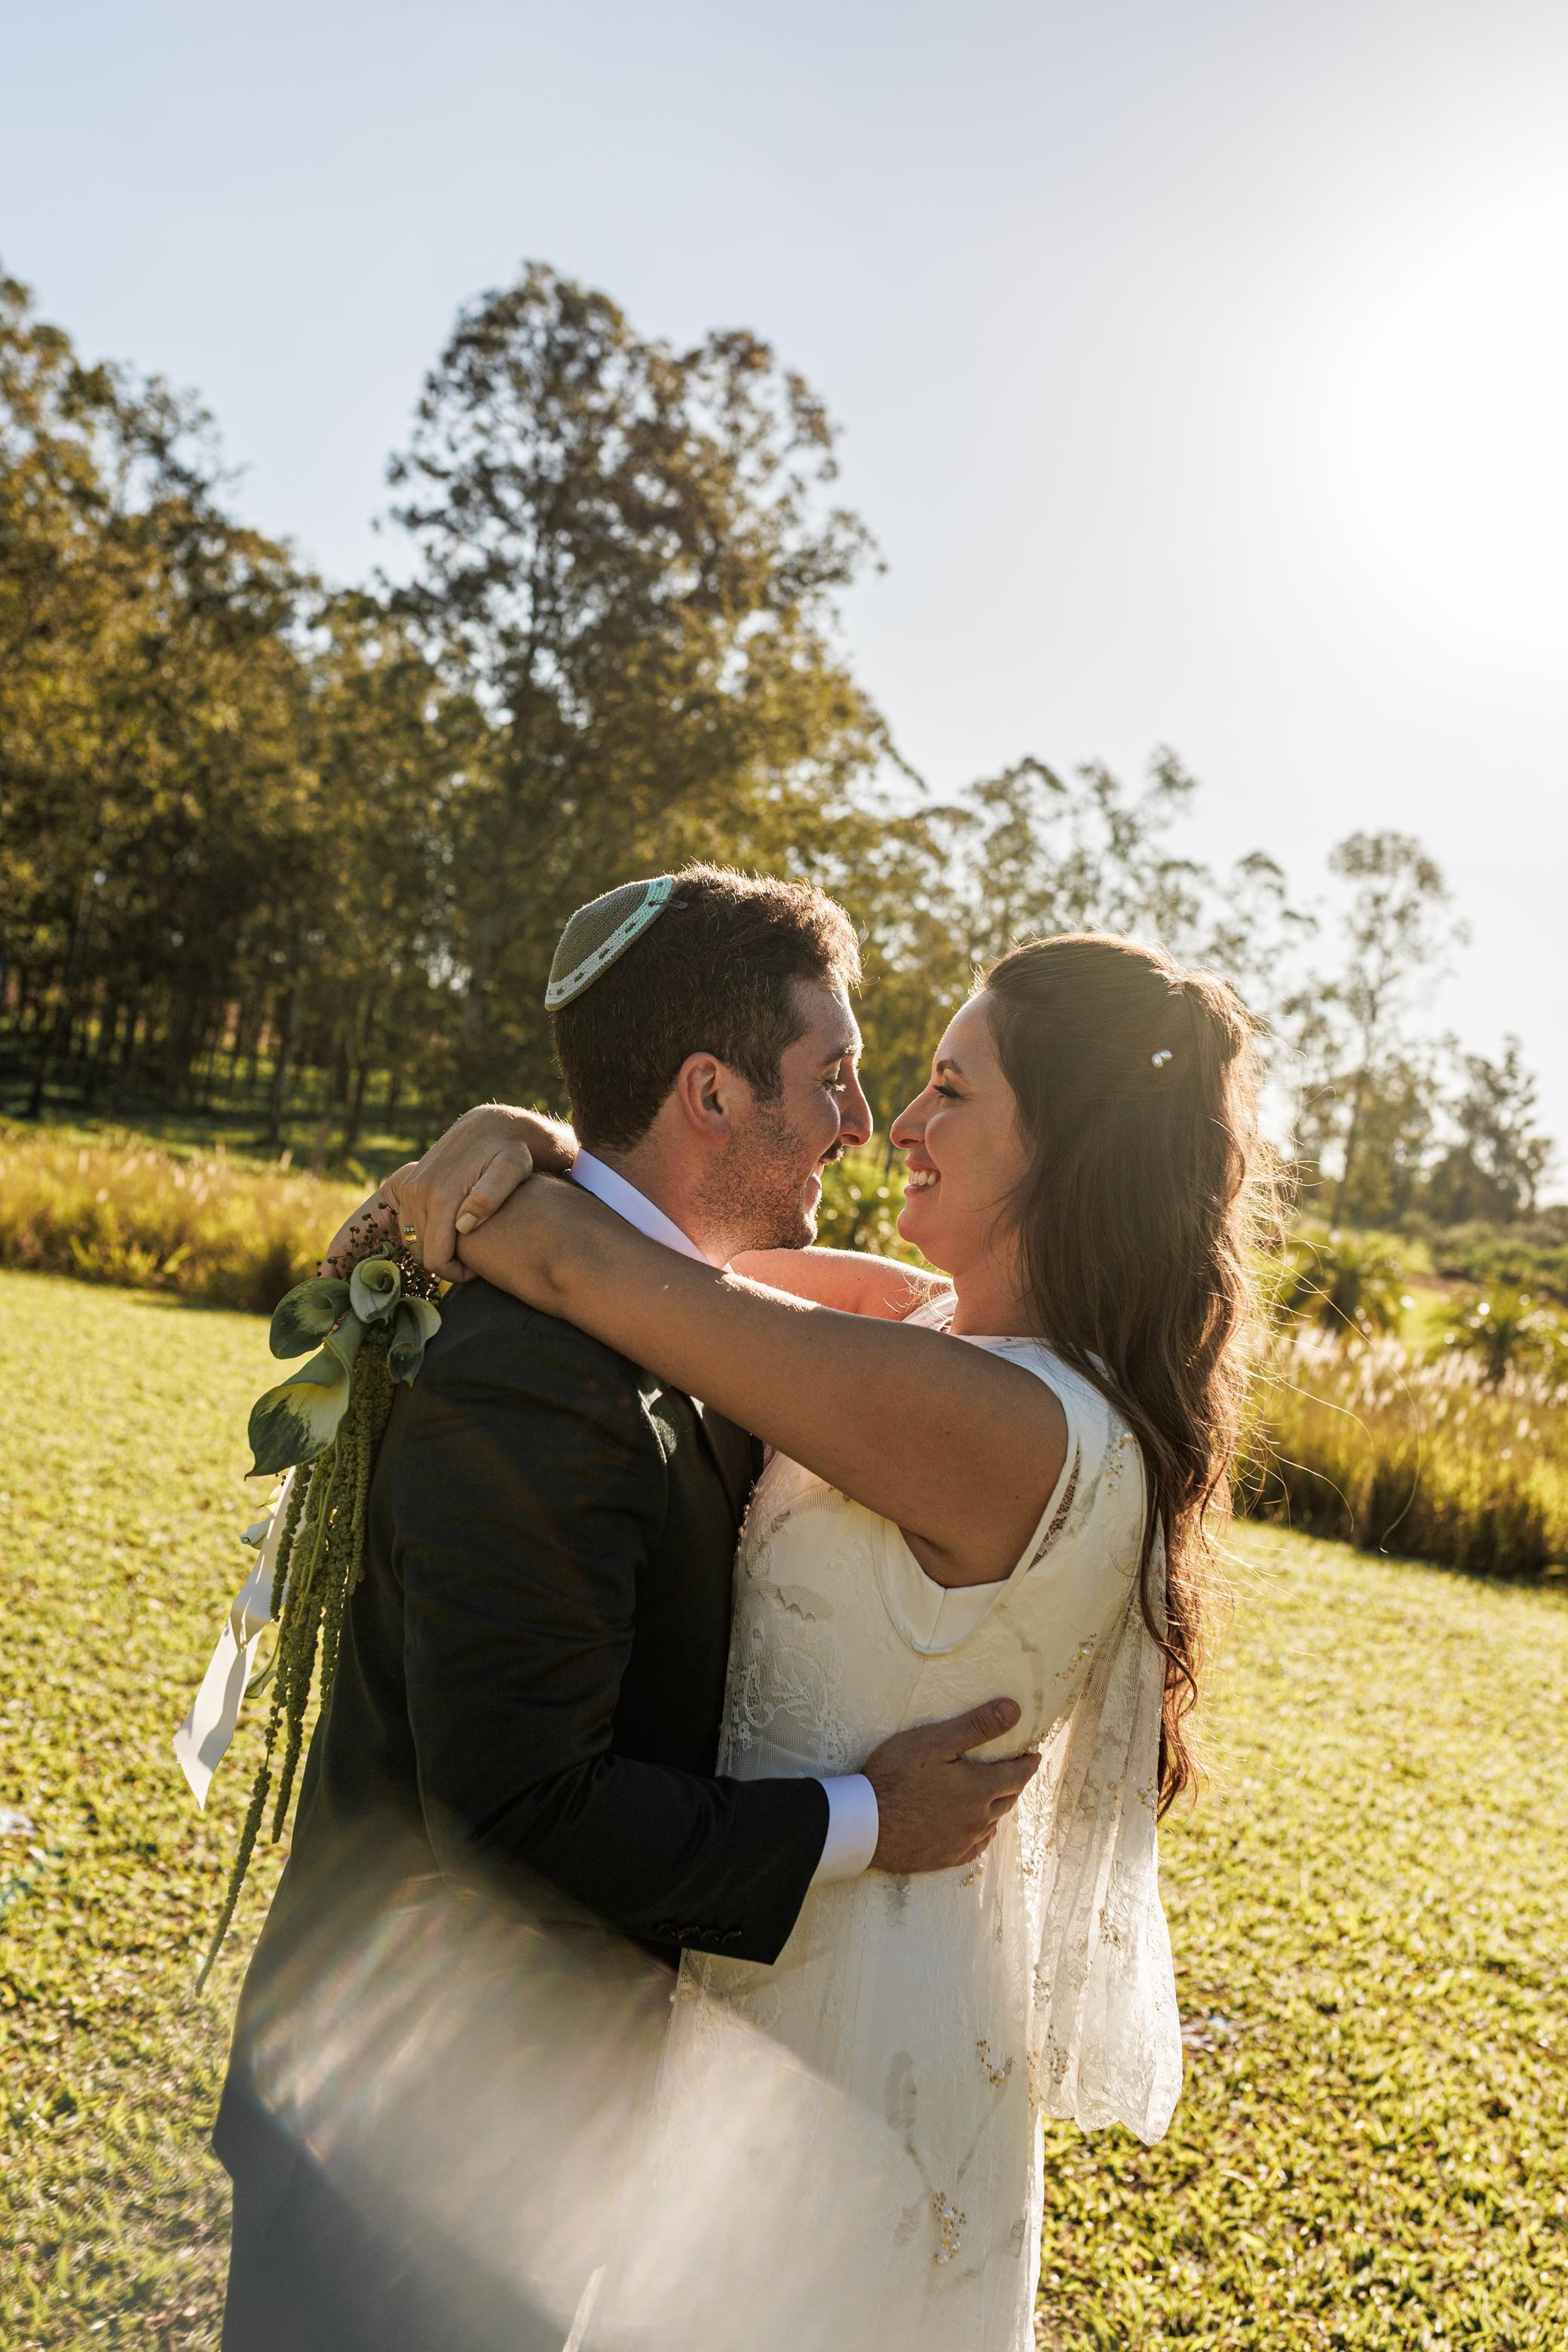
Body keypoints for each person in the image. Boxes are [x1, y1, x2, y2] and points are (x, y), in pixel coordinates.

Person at [394, 917, 1268, 2350]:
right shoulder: (935, 1332)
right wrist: (538, 1129)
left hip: (851, 2019)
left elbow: (581, 1265)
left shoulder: (1001, 1422)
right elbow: (672, 1237)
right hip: (768, 1959)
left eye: (951, 1090)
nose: (900, 1125)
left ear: (1066, 1149)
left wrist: (500, 1151)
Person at [213, 865, 1040, 2352]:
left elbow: (913, 1339)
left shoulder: (676, 1311)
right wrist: (866, 1820)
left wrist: (517, 1149)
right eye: (832, 1077)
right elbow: (518, 1807)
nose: (858, 1123)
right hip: (400, 2158)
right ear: (710, 1094)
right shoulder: (534, 1375)